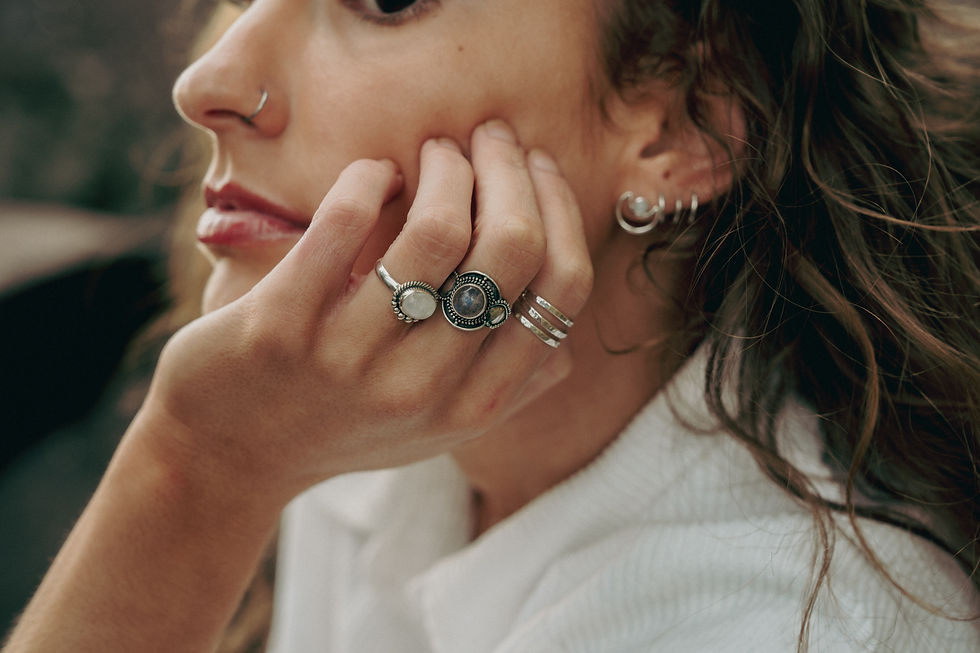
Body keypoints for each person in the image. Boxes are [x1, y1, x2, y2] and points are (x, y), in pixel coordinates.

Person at [4, 0, 980, 651]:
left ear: (682, 120)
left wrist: (196, 472)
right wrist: (208, 469)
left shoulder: (787, 622)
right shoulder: (351, 403)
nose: (208, 81)